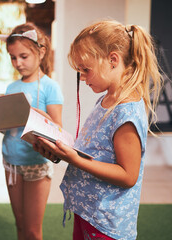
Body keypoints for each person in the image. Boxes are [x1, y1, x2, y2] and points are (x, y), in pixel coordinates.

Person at [33, 20, 162, 240]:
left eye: (86, 70)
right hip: (89, 210)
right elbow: (95, 149)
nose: (82, 78)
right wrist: (52, 134)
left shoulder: (126, 111)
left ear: (113, 60)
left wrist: (75, 160)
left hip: (107, 222)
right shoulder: (106, 100)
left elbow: (128, 175)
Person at [1, 22, 64, 240]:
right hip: (11, 161)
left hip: (37, 164)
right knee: (20, 225)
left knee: (32, 230)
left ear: (41, 51)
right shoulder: (11, 88)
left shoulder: (50, 87)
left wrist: (39, 118)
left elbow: (58, 130)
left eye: (24, 56)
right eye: (12, 57)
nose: (17, 63)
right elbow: (8, 127)